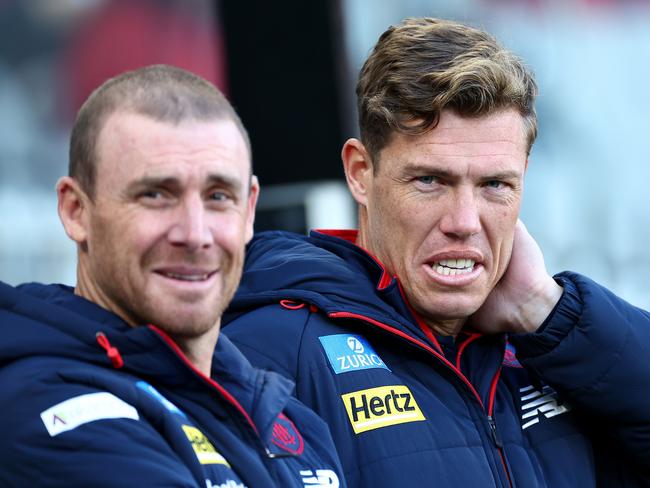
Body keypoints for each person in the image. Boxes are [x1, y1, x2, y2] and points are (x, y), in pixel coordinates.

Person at [223, 18, 650, 486]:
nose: (464, 222)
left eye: (494, 185)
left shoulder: (559, 352)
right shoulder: (270, 351)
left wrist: (545, 310)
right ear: (360, 173)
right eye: (430, 181)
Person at [0, 65, 344, 488]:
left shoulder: (291, 418)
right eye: (156, 195)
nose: (195, 235)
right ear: (76, 211)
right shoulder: (48, 407)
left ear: (249, 210)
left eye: (218, 196)